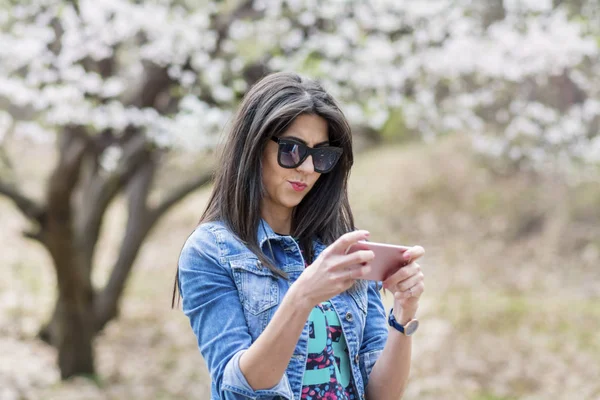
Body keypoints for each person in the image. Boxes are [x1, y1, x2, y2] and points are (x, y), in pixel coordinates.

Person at [173, 72, 425, 400]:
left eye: (321, 156)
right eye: (292, 150)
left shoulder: (341, 248)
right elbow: (236, 387)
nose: (306, 168)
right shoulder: (212, 251)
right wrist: (302, 297)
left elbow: (381, 395)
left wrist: (403, 317)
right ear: (255, 146)